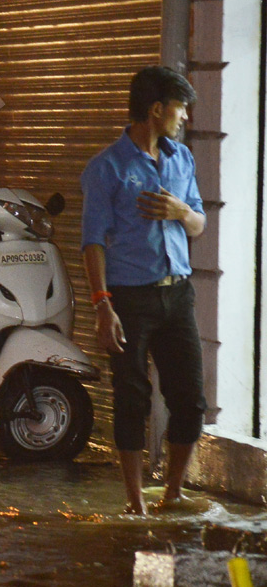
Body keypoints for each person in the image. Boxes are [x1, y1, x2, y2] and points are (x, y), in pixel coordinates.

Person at [81, 65, 207, 515]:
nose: (185, 117)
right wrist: (102, 306)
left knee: (190, 399)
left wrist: (178, 211)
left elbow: (198, 222)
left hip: (178, 294)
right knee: (132, 398)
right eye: (180, 108)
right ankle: (135, 501)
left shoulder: (182, 160)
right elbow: (92, 242)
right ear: (156, 109)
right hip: (129, 299)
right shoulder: (106, 168)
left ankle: (172, 493)